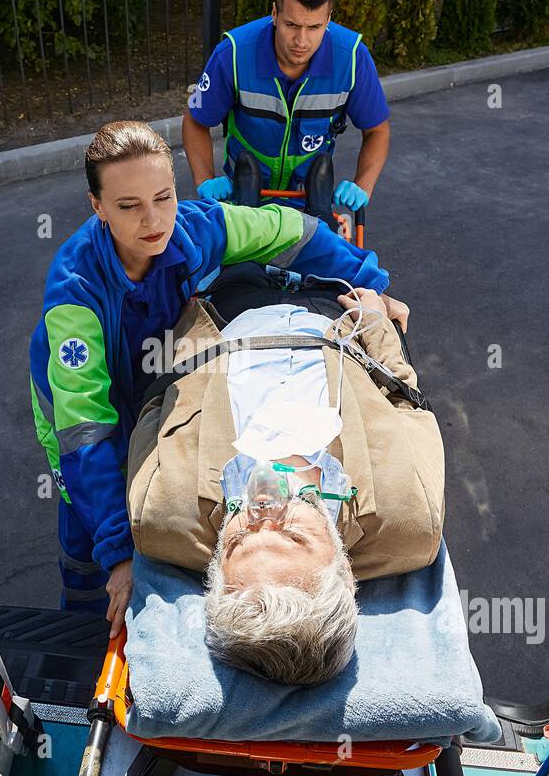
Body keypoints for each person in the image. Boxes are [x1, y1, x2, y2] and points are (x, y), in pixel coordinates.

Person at [30, 120, 391, 636]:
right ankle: (84, 627)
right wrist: (118, 554)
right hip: (79, 412)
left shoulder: (194, 229)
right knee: (87, 537)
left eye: (163, 196)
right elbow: (86, 433)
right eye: (129, 206)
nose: (154, 220)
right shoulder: (75, 294)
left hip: (152, 372)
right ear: (98, 207)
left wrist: (370, 281)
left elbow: (292, 230)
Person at [123, 272, 444, 686]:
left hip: (229, 307)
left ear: (216, 568)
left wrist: (188, 314)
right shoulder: (410, 516)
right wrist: (377, 320)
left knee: (226, 224)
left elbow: (155, 403)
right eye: (293, 534)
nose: (266, 507)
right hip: (335, 313)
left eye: (238, 539)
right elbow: (407, 403)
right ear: (344, 571)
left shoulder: (159, 512)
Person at [182, 0, 390, 215]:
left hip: (310, 198)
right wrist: (205, 180)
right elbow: (195, 120)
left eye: (314, 27)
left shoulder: (353, 58)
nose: (302, 41)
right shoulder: (233, 54)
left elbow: (377, 130)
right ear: (274, 13)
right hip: (244, 194)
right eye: (291, 25)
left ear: (328, 18)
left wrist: (363, 185)